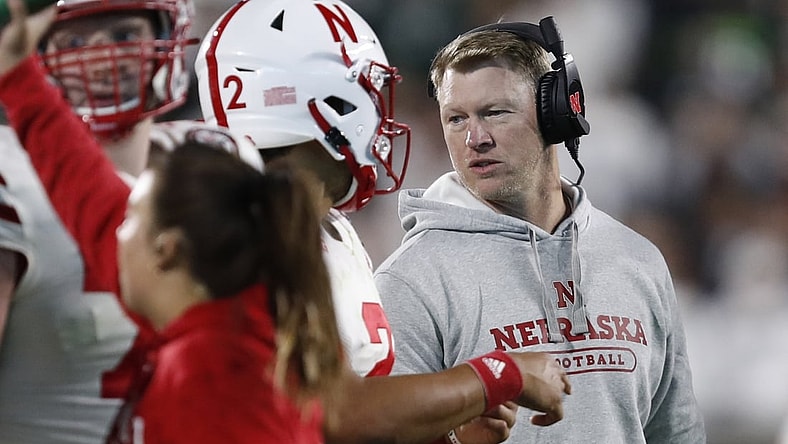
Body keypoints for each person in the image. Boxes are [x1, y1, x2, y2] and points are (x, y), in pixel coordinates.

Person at [195, 1, 570, 443]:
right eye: (368, 90)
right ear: (327, 102)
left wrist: (444, 430)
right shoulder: (244, 233)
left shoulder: (321, 229)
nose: (380, 115)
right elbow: (328, 412)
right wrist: (495, 375)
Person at [373, 17, 707, 443]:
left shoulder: (637, 259)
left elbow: (675, 434)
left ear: (557, 113)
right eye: (456, 119)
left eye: (495, 113)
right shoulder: (409, 281)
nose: (475, 137)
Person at [0, 0, 215, 441]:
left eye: (122, 36)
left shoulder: (217, 165)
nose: (98, 62)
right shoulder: (11, 181)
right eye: (75, 41)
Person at [105, 138, 343, 443]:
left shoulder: (212, 377)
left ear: (167, 249)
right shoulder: (231, 341)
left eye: (130, 217)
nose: (116, 233)